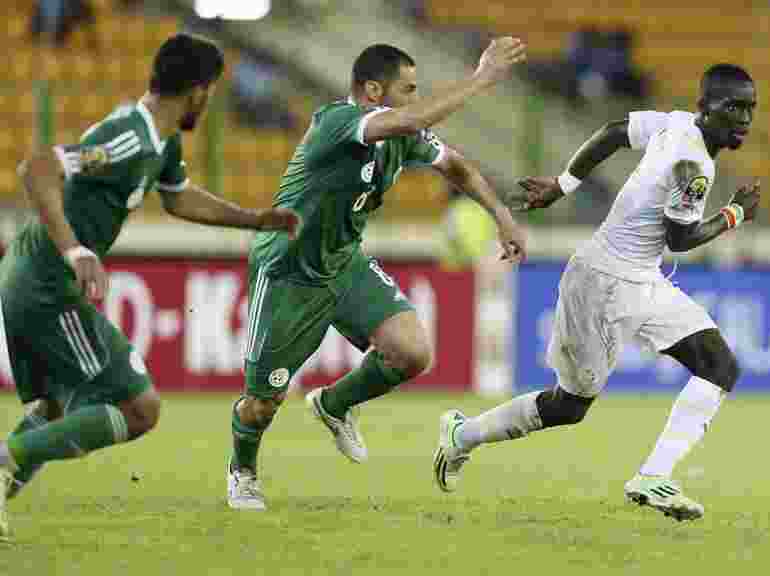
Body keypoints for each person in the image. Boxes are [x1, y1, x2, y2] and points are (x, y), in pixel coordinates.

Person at [0, 33, 301, 539]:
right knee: (138, 407)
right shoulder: (131, 137)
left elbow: (180, 199)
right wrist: (76, 249)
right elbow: (38, 170)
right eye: (212, 91)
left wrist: (254, 219)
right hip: (46, 282)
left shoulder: (161, 142)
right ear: (200, 91)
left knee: (52, 408)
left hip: (27, 276)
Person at [433, 64, 761, 522]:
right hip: (603, 284)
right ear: (705, 106)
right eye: (734, 107)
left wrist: (562, 184)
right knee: (568, 406)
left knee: (719, 366)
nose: (744, 118)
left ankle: (652, 477)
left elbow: (615, 131)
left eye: (750, 108)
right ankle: (462, 435)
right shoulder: (692, 166)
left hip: (641, 279)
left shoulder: (675, 122)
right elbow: (680, 240)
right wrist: (735, 215)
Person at [226, 41, 528, 510]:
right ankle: (242, 471)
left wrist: (502, 215)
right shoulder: (337, 123)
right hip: (289, 270)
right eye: (408, 89)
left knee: (411, 352)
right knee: (262, 402)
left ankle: (334, 403)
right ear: (372, 91)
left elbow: (457, 167)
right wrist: (480, 79)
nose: (415, 98)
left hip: (344, 263)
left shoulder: (403, 134)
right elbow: (410, 119)